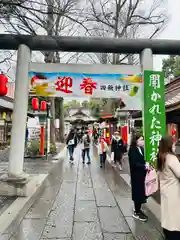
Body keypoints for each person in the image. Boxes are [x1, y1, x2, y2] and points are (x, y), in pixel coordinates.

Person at [157, 136, 180, 239]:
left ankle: (167, 233)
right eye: (174, 143)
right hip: (173, 192)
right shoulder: (172, 158)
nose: (175, 145)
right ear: (169, 145)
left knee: (166, 215)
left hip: (165, 190)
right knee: (173, 218)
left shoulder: (161, 156)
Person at [128, 133, 148, 222]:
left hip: (142, 175)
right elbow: (134, 164)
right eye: (141, 140)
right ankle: (137, 212)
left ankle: (138, 208)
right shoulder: (132, 149)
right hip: (136, 175)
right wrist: (144, 166)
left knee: (141, 192)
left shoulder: (142, 149)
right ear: (136, 141)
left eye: (143, 139)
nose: (143, 141)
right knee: (137, 193)